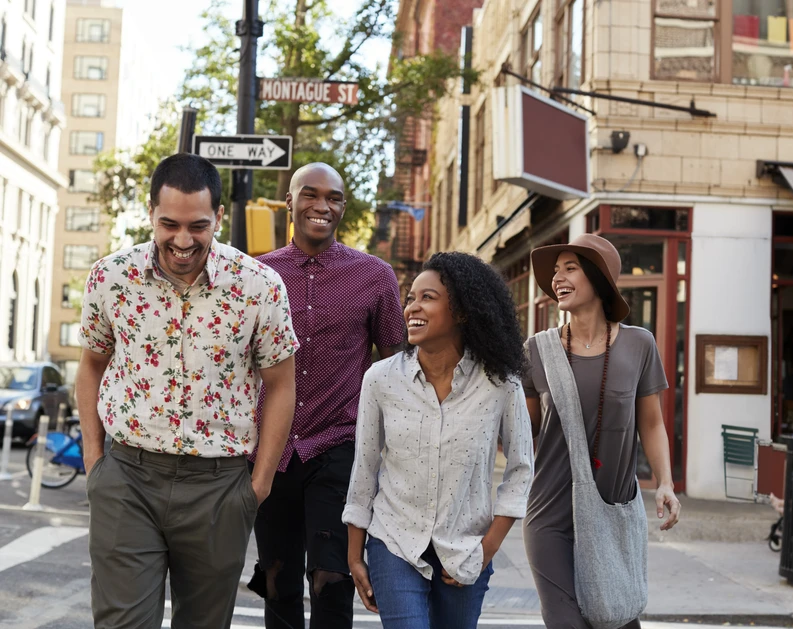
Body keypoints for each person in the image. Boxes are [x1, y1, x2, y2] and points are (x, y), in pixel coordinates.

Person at [76, 153, 298, 628]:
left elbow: (281, 386)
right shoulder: (111, 277)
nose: (182, 240)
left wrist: (258, 486)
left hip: (219, 487)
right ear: (150, 214)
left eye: (198, 225)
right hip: (128, 479)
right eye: (168, 224)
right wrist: (95, 462)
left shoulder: (260, 286)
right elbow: (92, 365)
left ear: (219, 216)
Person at [247, 163, 405, 629]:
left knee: (332, 580)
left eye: (333, 197)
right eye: (310, 195)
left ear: (342, 207)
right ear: (290, 203)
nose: (322, 205)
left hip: (340, 448)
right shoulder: (258, 274)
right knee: (277, 581)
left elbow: (394, 363)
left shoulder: (374, 276)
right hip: (271, 449)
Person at [342, 252, 534, 629]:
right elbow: (364, 469)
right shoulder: (380, 379)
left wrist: (486, 550)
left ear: (461, 311)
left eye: (427, 297)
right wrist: (354, 556)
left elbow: (521, 471)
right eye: (410, 298)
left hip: (465, 548)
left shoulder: (500, 384)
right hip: (393, 541)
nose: (412, 306)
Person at [522, 234, 681, 629]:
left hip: (612, 512)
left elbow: (651, 422)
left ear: (599, 278)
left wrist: (665, 483)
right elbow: (523, 431)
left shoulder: (638, 345)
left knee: (617, 621)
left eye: (570, 268)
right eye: (556, 270)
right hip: (551, 515)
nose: (558, 277)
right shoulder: (537, 351)